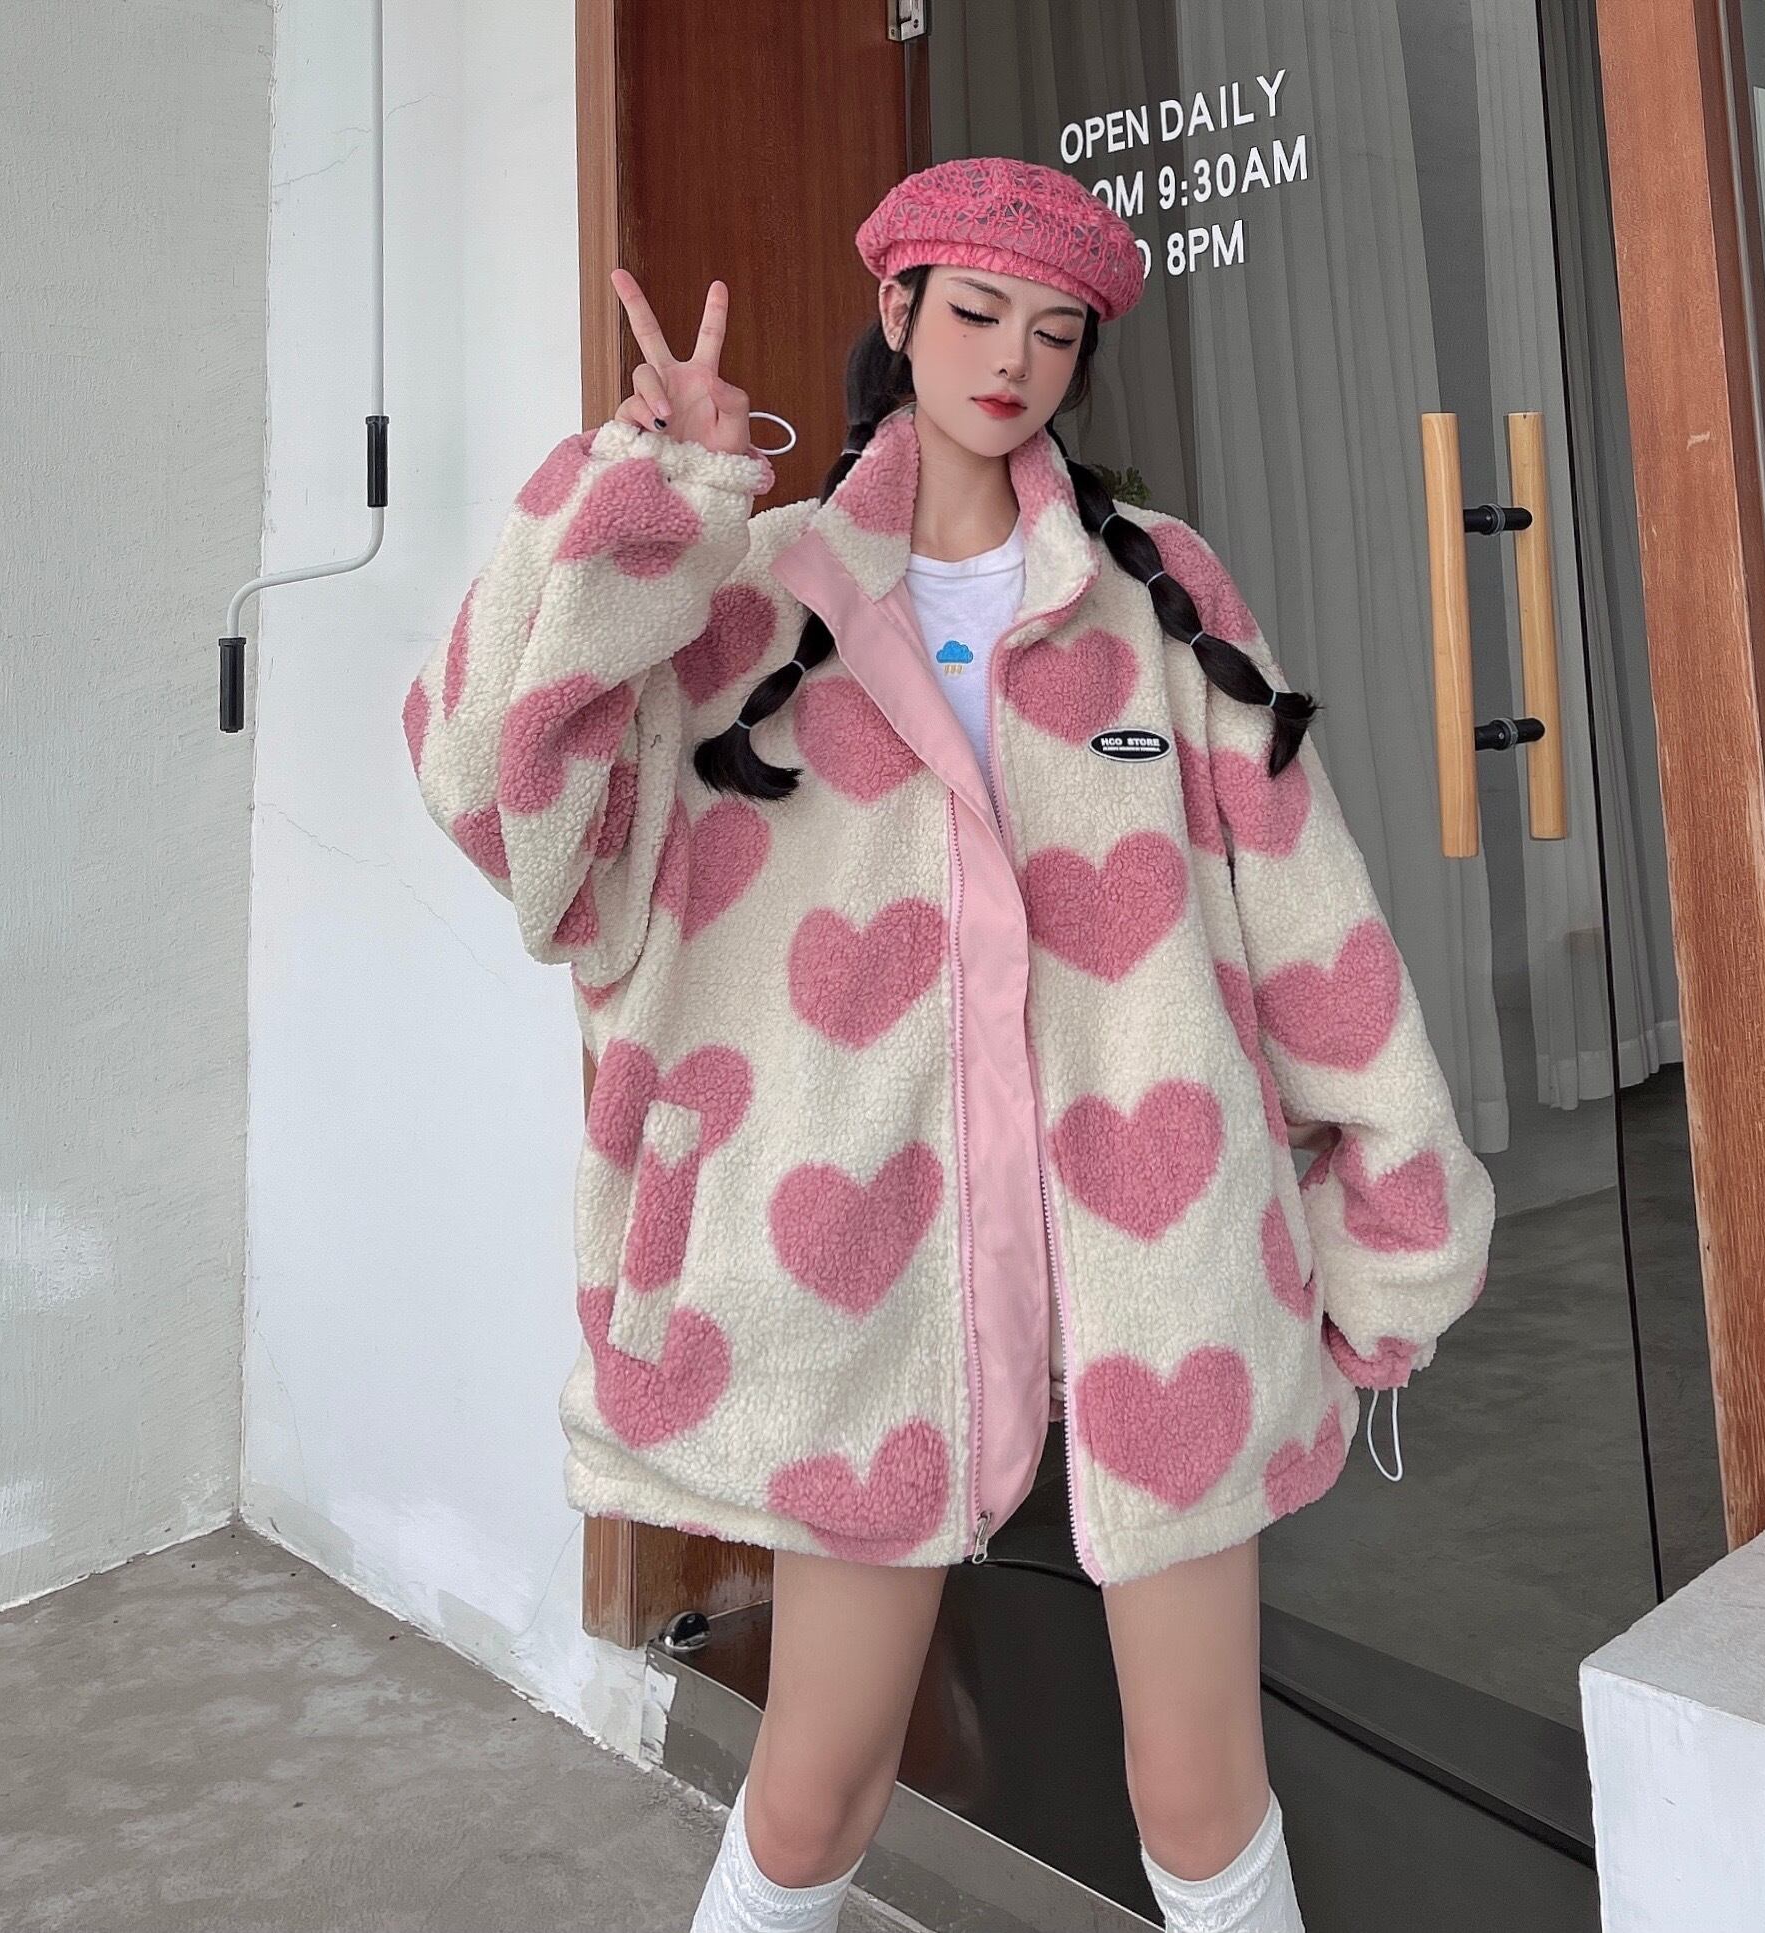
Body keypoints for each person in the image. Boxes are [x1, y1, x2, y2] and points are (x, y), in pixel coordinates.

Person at [402, 155, 1495, 1933]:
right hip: (855, 1269)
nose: (1011, 360)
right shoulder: (753, 585)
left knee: (1200, 1786)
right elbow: (494, 783)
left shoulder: (1159, 589)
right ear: (896, 313)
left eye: (1055, 332)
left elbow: (1308, 914)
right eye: (976, 311)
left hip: (1159, 1263)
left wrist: (1392, 1199)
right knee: (817, 1777)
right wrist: (642, 496)